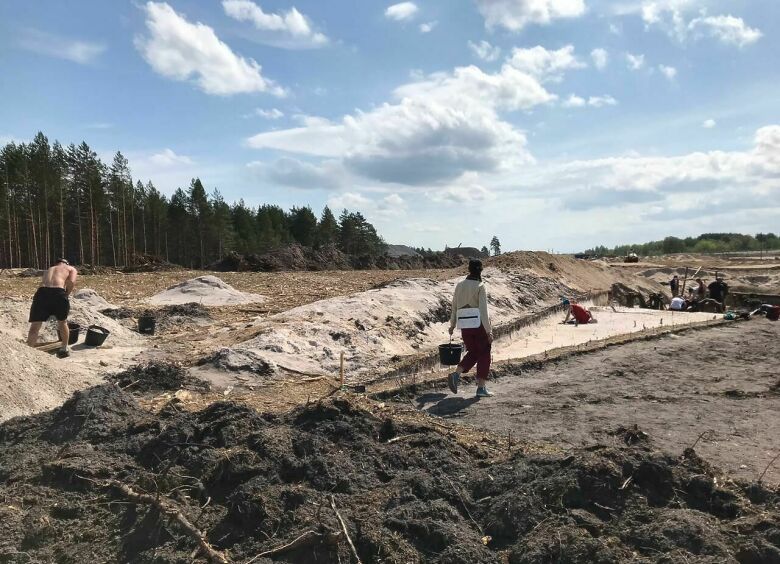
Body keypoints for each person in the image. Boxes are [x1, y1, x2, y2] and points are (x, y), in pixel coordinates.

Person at [447, 259, 493, 398]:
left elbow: (454, 306)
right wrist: (488, 331)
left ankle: (456, 374)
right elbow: (483, 311)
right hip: (478, 325)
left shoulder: (460, 285)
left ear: (469, 269)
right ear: (480, 270)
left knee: (473, 351)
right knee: (484, 353)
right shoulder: (480, 286)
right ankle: (481, 387)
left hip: (464, 326)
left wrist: (452, 324)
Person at [27, 259, 78, 358]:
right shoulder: (70, 268)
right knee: (62, 322)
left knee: (35, 325)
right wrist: (66, 294)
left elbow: (42, 284)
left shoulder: (50, 269)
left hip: (41, 293)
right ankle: (64, 348)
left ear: (56, 263)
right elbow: (71, 282)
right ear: (67, 263)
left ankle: (29, 350)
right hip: (58, 292)